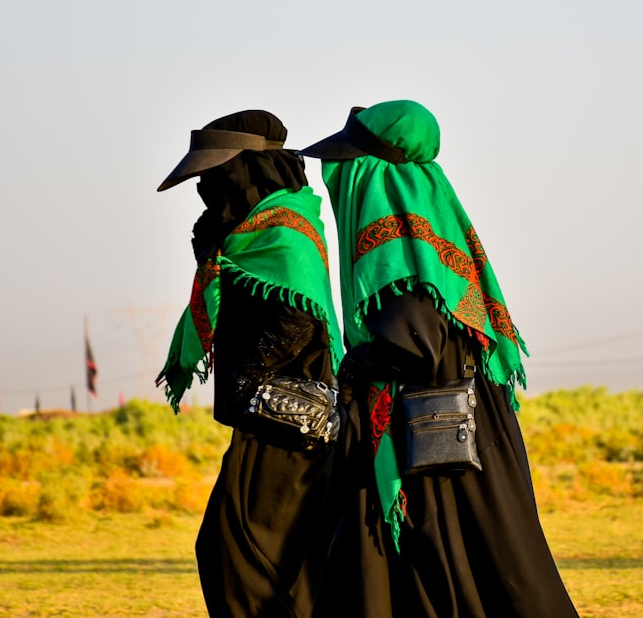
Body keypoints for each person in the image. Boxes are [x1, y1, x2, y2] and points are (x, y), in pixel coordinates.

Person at [300, 100, 578, 617]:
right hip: (470, 424)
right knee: (492, 561)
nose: (337, 177)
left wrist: (357, 363)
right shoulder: (438, 223)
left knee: (458, 569)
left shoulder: (393, 235)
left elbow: (412, 340)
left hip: (434, 435)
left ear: (373, 171)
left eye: (346, 164)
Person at [155, 110, 343, 618]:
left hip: (290, 432)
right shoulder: (252, 232)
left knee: (239, 557)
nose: (205, 190)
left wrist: (246, 379)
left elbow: (298, 320)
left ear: (243, 170)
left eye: (213, 175)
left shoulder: (285, 232)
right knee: (255, 560)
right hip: (262, 427)